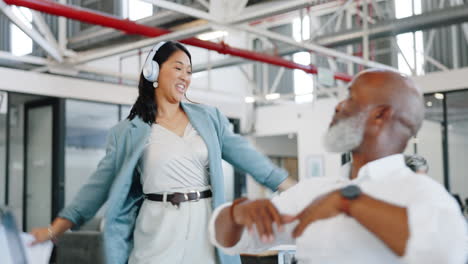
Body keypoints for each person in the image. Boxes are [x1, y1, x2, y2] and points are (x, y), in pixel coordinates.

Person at [29, 41, 293, 264]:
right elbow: (96, 189)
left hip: (205, 227)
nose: (185, 77)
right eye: (178, 68)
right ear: (153, 72)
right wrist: (55, 229)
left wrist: (292, 187)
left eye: (189, 71)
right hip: (158, 229)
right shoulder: (127, 133)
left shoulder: (209, 118)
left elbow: (248, 157)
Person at [210, 69, 468, 264]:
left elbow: (444, 253)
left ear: (380, 115)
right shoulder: (312, 191)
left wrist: (349, 202)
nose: (338, 105)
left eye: (351, 98)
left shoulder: (424, 195)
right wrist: (238, 212)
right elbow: (228, 239)